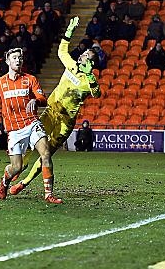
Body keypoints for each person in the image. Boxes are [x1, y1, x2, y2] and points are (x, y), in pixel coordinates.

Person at [9, 17, 101, 195]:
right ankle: (20, 166)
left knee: (47, 154)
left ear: (90, 63)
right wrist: (68, 31)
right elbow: (61, 51)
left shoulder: (89, 81)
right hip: (51, 112)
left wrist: (90, 76)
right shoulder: (71, 65)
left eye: (87, 55)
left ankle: (24, 183)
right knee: (31, 141)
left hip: (65, 122)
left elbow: (97, 94)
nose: (82, 54)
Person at [0, 48, 62, 204]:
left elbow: (42, 98)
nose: (18, 60)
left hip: (32, 122)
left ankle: (49, 195)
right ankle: (5, 181)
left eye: (20, 58)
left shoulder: (30, 79)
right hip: (14, 129)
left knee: (46, 153)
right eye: (14, 58)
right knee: (17, 167)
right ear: (8, 61)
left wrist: (36, 100)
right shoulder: (0, 83)